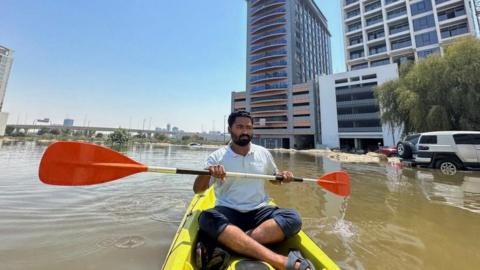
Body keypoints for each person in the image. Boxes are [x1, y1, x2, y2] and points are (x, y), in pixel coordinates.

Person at [193, 111, 314, 270]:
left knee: (293, 218)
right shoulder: (217, 156)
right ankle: (281, 261)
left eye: (249, 127)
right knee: (207, 218)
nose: (245, 131)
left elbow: (273, 178)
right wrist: (209, 172)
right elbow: (198, 190)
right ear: (230, 129)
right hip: (228, 211)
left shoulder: (263, 153)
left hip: (260, 211)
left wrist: (282, 177)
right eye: (240, 127)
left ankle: (229, 243)